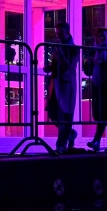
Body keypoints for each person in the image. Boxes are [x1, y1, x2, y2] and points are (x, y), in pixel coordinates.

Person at [46, 21, 79, 153]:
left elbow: (68, 66)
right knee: (53, 113)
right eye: (56, 34)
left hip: (66, 84)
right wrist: (50, 67)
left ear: (67, 33)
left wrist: (60, 54)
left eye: (59, 34)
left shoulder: (73, 48)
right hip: (56, 84)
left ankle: (61, 144)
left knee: (65, 115)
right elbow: (57, 65)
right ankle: (70, 134)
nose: (57, 36)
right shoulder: (59, 47)